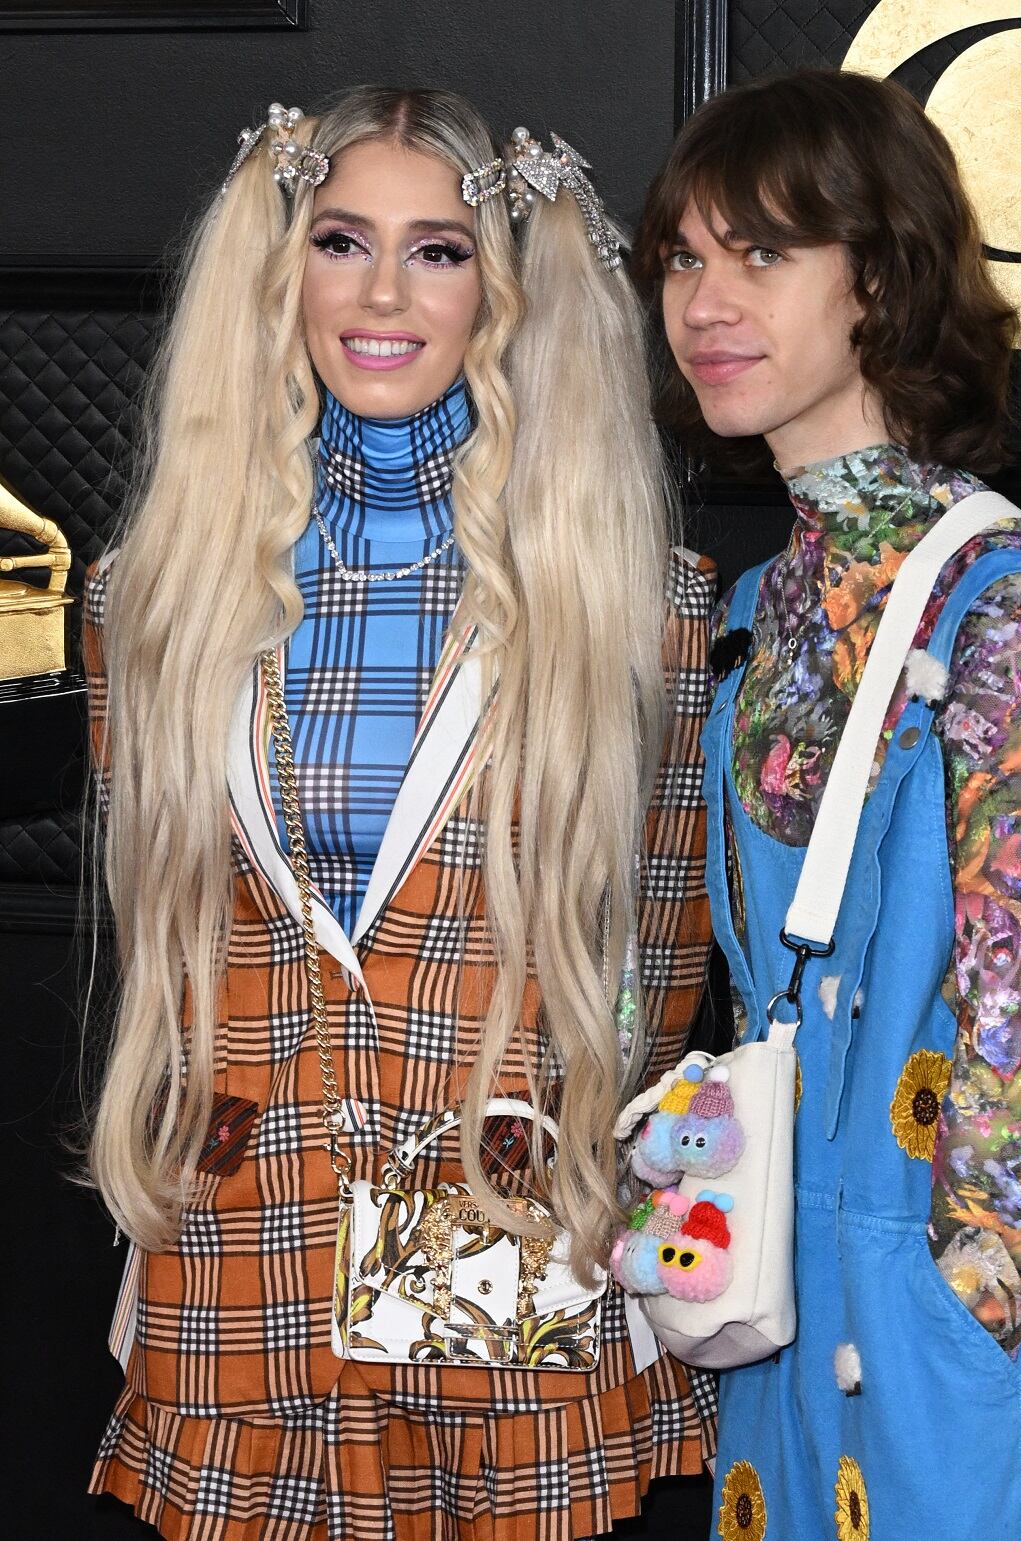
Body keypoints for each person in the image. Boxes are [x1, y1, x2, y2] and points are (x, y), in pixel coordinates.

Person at [83, 85, 716, 1541]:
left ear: (500, 286)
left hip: (500, 1223)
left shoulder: (631, 603)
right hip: (242, 1242)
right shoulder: (153, 594)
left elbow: (659, 976)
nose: (382, 295)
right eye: (340, 241)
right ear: (279, 267)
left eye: (437, 251)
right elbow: (165, 938)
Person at [634, 68, 1021, 1540]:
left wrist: (959, 1316)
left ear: (880, 279)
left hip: (944, 1300)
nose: (707, 302)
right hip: (772, 1280)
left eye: (764, 252)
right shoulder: (760, 608)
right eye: (683, 258)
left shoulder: (1009, 609)